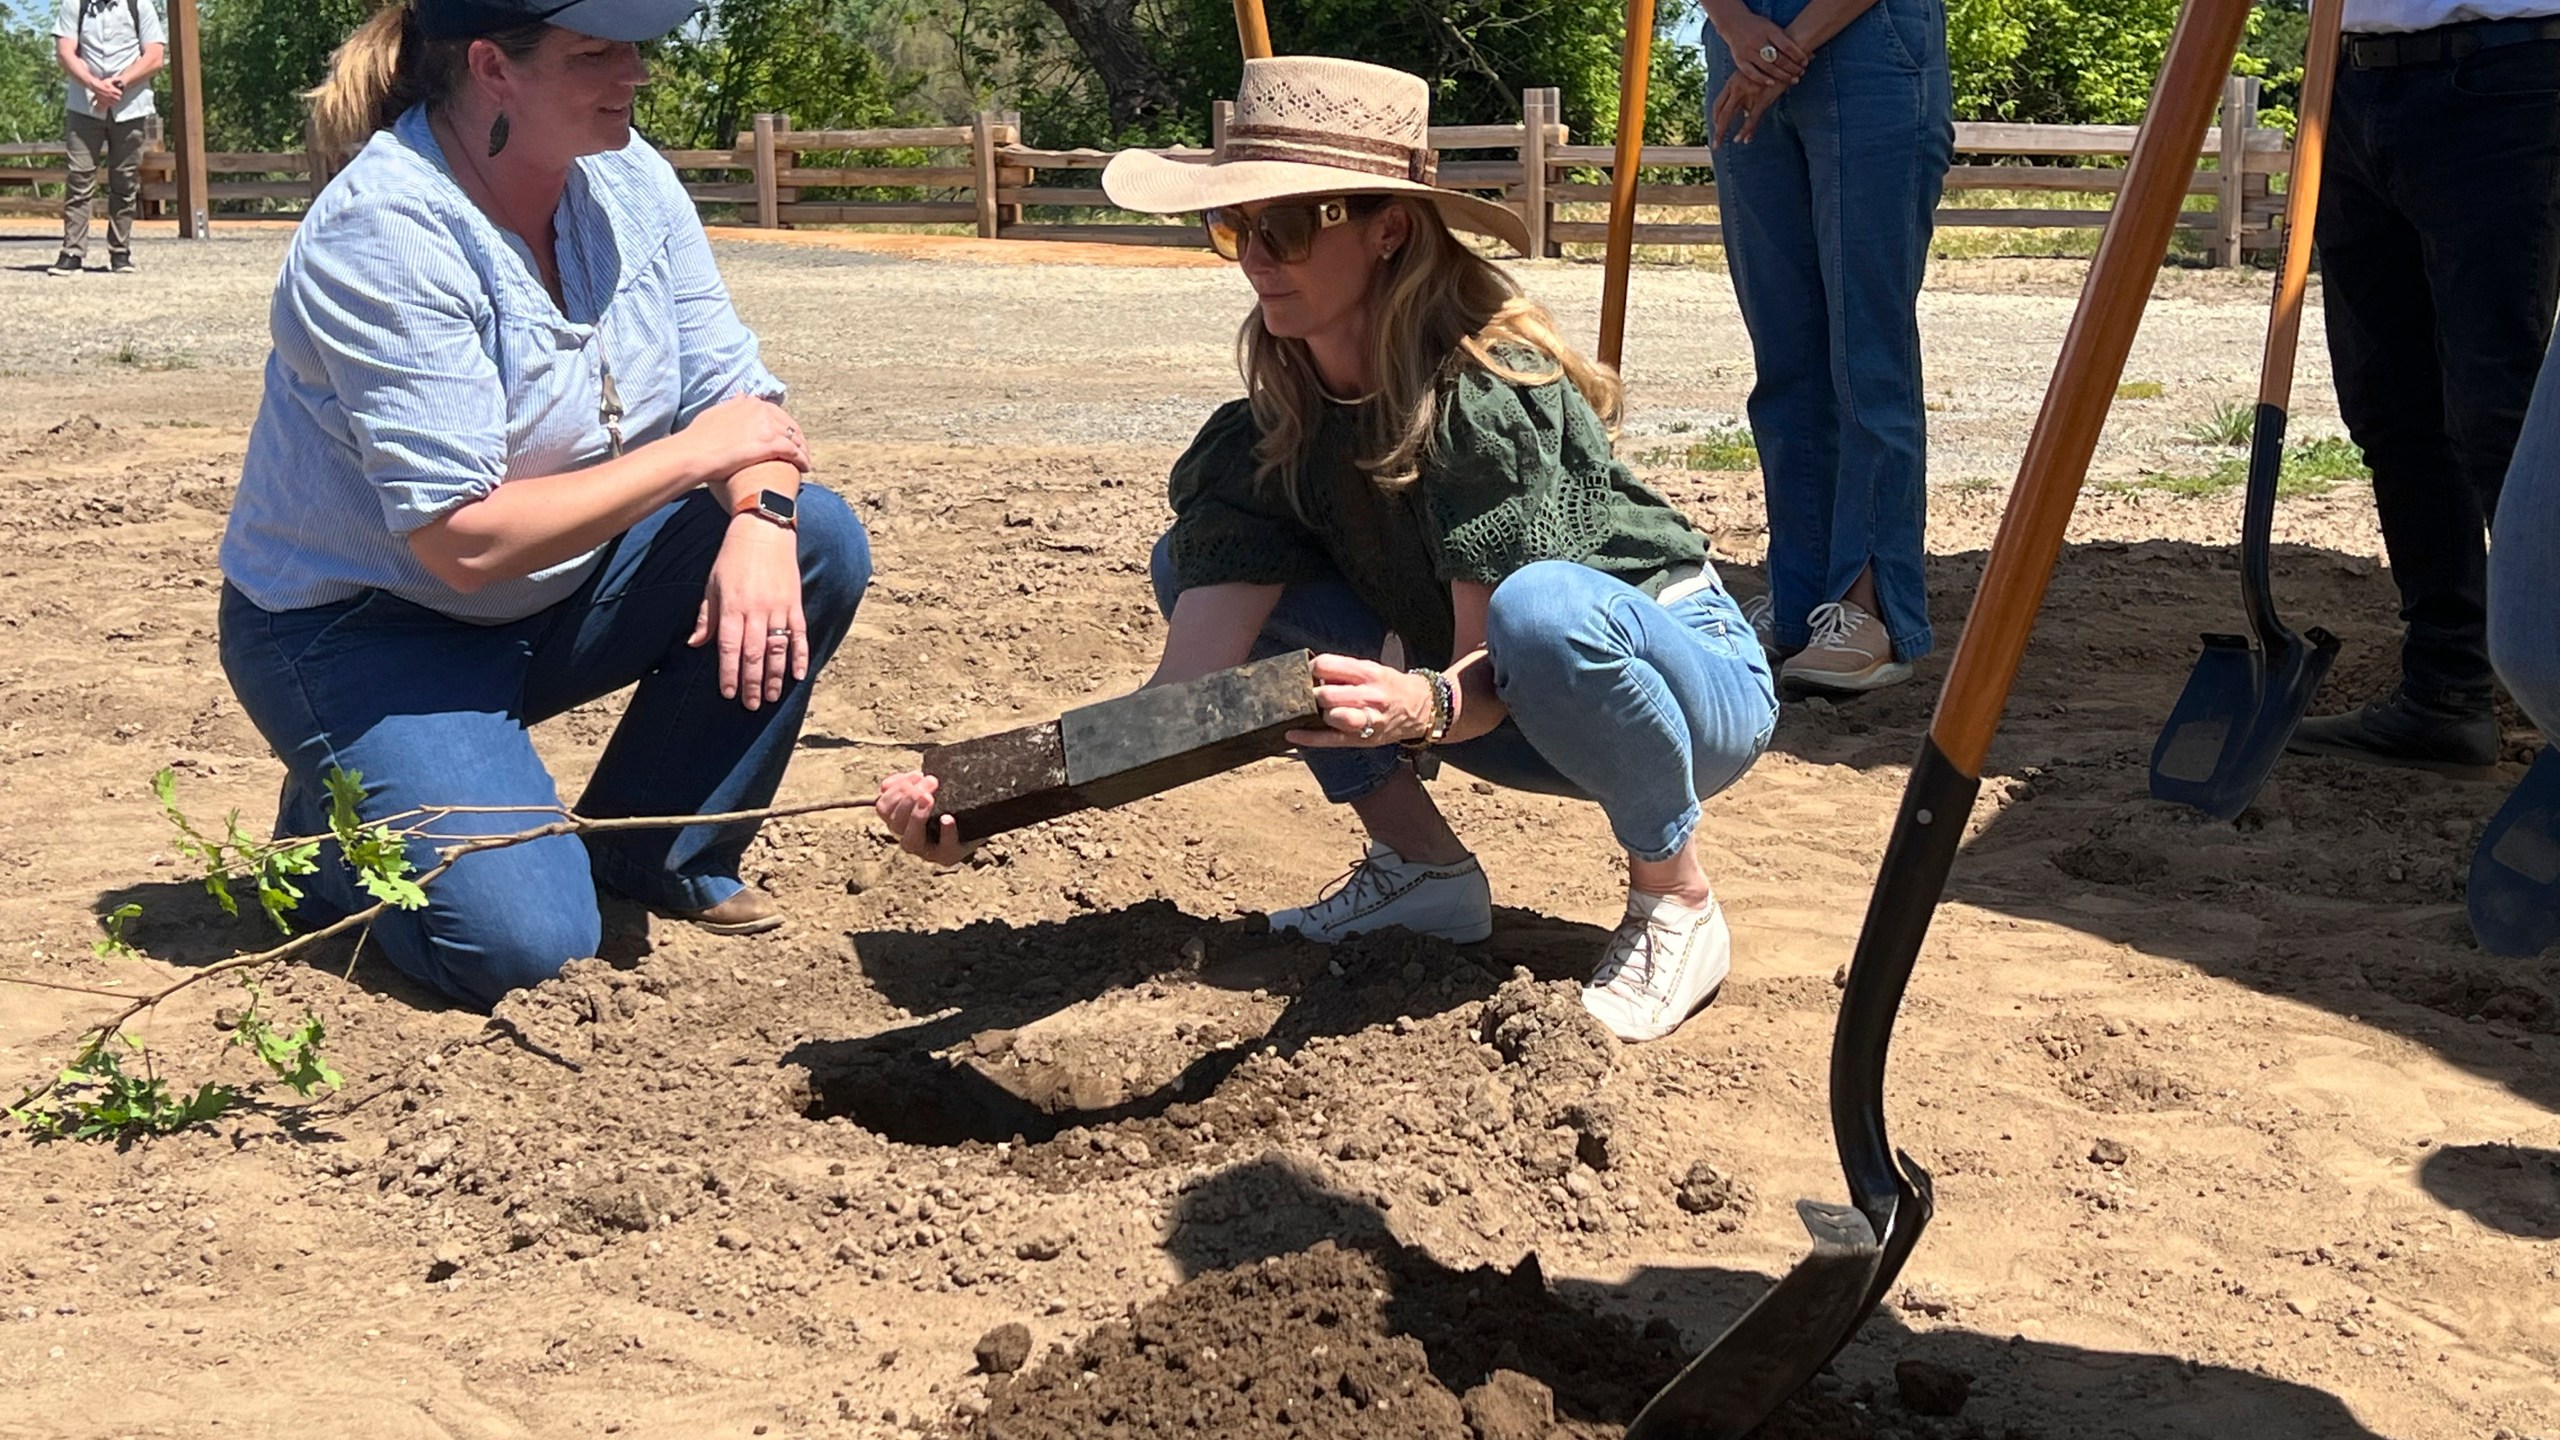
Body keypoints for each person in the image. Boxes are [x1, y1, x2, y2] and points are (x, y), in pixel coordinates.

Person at [875, 58, 1780, 1044]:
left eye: (1291, 225)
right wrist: (985, 797)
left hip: (1681, 694)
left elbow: (1485, 668)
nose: (1259, 255)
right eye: (1237, 227)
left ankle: (1675, 903)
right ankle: (1424, 872)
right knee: (1192, 568)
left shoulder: (1486, 391)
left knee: (1543, 612)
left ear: (1388, 229)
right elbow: (1178, 709)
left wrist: (1422, 704)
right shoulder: (1267, 434)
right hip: (1505, 702)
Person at [215, 0, 871, 1010]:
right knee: (524, 945)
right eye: (594, 52)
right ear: (492, 67)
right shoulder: (385, 234)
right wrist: (700, 456)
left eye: (634, 47)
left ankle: (656, 852)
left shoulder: (628, 177)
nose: (634, 74)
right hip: (365, 634)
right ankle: (323, 844)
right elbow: (464, 541)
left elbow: (741, 401)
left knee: (816, 538)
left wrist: (760, 518)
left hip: (554, 590)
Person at [2287, 1, 2560, 773]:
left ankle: (2553, 694)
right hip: (2346, 76)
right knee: (2391, 405)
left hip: (2505, 68)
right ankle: (2444, 692)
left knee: (2500, 410)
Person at [1698, 0, 1954, 696]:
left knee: (1865, 352)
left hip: (1866, 40)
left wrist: (1784, 48)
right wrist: (1735, 26)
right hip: (1741, 43)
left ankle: (1869, 606)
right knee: (1784, 354)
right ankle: (1799, 600)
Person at [50, 0, 166, 277]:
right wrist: (94, 85)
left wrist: (119, 84)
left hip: (130, 105)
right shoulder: (74, 5)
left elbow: (154, 56)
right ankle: (72, 252)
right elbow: (65, 53)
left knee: (124, 180)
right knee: (78, 178)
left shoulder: (140, 6)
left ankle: (120, 252)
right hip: (84, 104)